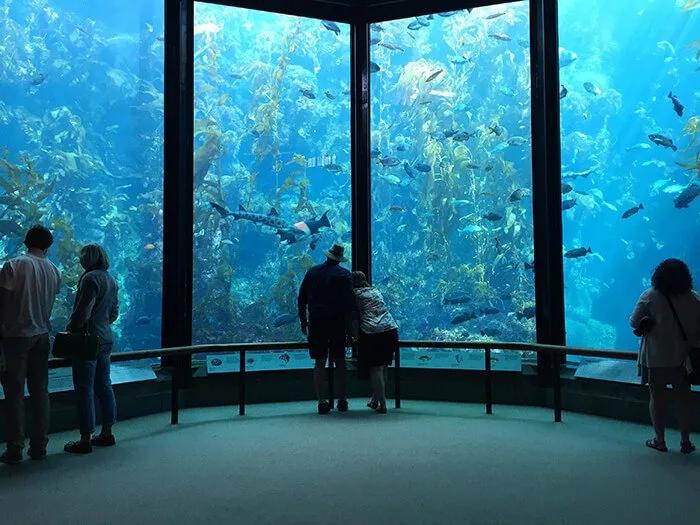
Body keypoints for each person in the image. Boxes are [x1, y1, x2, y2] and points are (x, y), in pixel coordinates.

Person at [0, 225, 61, 464]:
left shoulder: (13, 266)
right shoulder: (54, 270)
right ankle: (40, 446)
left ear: (26, 242)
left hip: (15, 336)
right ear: (47, 245)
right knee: (40, 392)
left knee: (14, 394)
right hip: (42, 335)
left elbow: (2, 303)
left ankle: (15, 448)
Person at [630, 258, 700, 454]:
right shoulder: (694, 298)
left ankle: (659, 440)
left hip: (655, 357)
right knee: (684, 400)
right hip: (683, 359)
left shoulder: (650, 296)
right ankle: (685, 442)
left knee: (657, 396)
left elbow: (634, 322)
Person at [63, 244, 119, 454]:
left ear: (89, 258)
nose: (80, 260)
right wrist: (102, 322)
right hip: (105, 338)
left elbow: (82, 312)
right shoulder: (111, 279)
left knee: (84, 389)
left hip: (88, 340)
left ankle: (85, 439)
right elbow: (114, 312)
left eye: (82, 256)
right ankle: (107, 432)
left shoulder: (90, 279)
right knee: (104, 385)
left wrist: (72, 328)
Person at [298, 243, 357, 414]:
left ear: (327, 256)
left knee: (319, 361)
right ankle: (342, 400)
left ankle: (322, 401)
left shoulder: (312, 272)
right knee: (339, 361)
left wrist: (303, 320)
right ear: (339, 259)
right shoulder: (344, 274)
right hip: (337, 324)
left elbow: (301, 298)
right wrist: (352, 329)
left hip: (316, 323)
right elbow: (350, 304)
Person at [352, 271, 398, 414]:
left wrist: (354, 336)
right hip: (390, 328)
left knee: (375, 368)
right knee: (383, 366)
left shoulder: (355, 294)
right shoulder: (375, 291)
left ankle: (383, 404)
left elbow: (353, 317)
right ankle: (375, 400)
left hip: (372, 331)